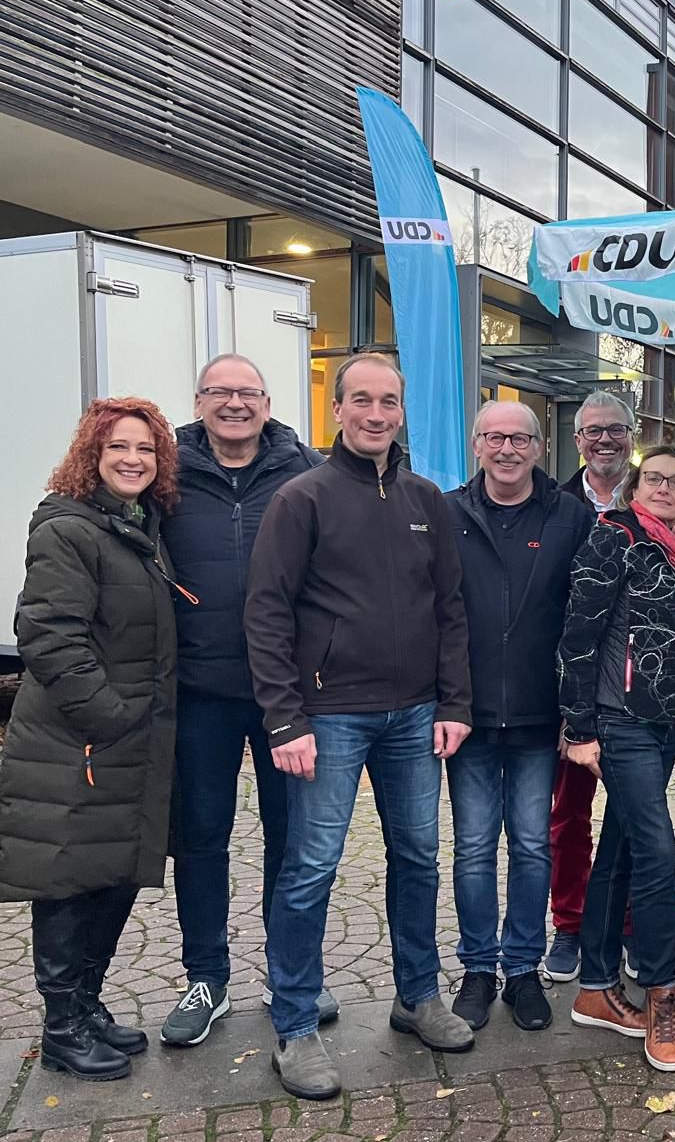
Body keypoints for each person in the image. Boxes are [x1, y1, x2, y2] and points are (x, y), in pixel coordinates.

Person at [245, 353, 474, 1100]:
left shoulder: (426, 499)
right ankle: (296, 1023)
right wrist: (284, 719)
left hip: (415, 717)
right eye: (363, 401)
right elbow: (267, 611)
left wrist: (454, 702)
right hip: (328, 715)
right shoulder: (301, 497)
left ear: (401, 411)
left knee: (418, 856)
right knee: (310, 868)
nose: (377, 414)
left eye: (390, 402)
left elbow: (450, 609)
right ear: (337, 409)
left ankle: (417, 995)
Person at [0, 398, 182, 1081]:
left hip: (122, 744)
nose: (133, 459)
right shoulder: (68, 529)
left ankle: (87, 1003)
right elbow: (47, 635)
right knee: (69, 883)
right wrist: (110, 716)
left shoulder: (136, 526)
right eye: (118, 448)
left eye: (146, 449)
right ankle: (61, 1027)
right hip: (79, 744)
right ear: (92, 456)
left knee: (110, 876)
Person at [158, 354, 330, 1049]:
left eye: (247, 392)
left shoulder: (305, 468)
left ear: (267, 401)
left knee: (293, 841)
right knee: (200, 839)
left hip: (285, 694)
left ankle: (291, 976)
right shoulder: (163, 472)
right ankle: (207, 977)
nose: (234, 403)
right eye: (220, 392)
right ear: (199, 400)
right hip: (198, 691)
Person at [558, 444, 675, 1073]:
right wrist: (578, 728)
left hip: (665, 724)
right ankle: (664, 993)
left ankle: (596, 986)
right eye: (655, 478)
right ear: (637, 484)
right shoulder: (614, 538)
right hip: (619, 720)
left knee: (624, 848)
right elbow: (577, 636)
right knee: (658, 851)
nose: (665, 487)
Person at [444, 401, 591, 1034]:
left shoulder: (571, 517)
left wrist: (576, 712)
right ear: (476, 445)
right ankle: (479, 968)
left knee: (533, 846)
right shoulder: (445, 513)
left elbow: (586, 619)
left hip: (539, 716)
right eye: (494, 437)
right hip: (467, 715)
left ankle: (525, 968)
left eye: (520, 437)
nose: (507, 448)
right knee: (474, 849)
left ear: (539, 447)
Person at [547, 390, 640, 982]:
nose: (605, 440)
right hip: (572, 685)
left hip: (635, 689)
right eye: (592, 431)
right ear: (577, 440)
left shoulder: (656, 496)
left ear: (633, 434)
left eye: (616, 429)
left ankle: (627, 922)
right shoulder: (553, 506)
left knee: (635, 813)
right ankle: (571, 925)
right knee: (567, 813)